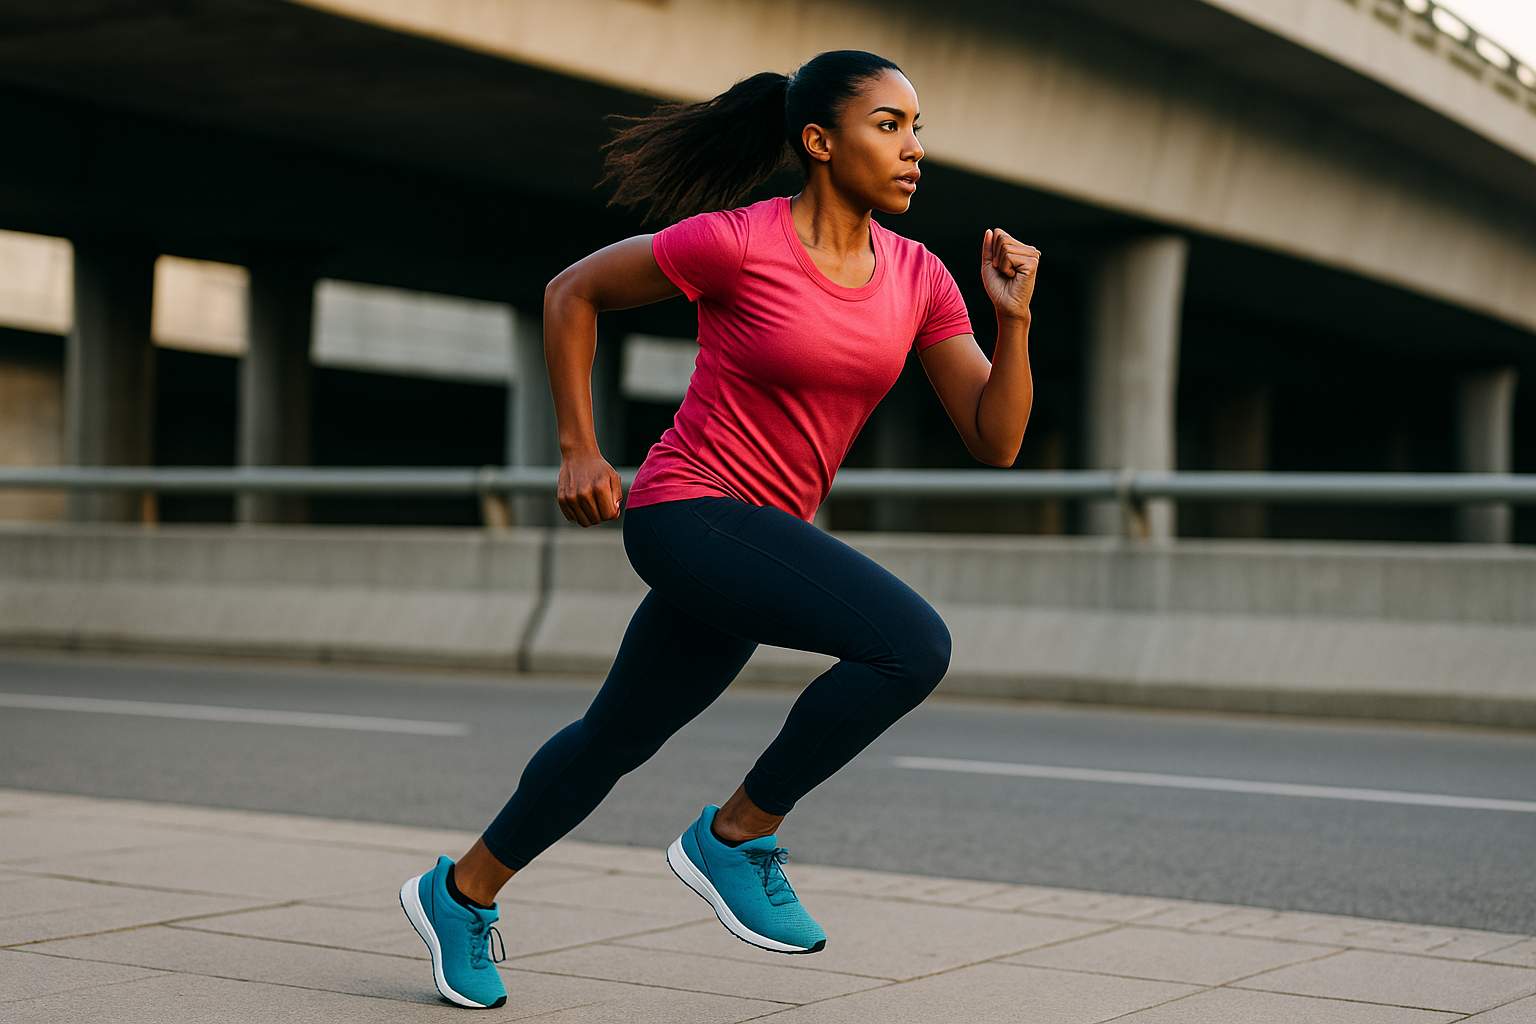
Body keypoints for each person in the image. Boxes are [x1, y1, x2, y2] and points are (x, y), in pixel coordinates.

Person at [398, 48, 1039, 1009]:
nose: (914, 150)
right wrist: (579, 448)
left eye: (918, 130)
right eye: (889, 126)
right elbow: (573, 292)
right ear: (820, 141)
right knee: (912, 647)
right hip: (686, 510)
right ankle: (737, 835)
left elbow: (997, 440)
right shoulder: (737, 242)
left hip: (754, 539)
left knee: (615, 737)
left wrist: (1012, 322)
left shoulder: (919, 277)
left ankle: (459, 895)